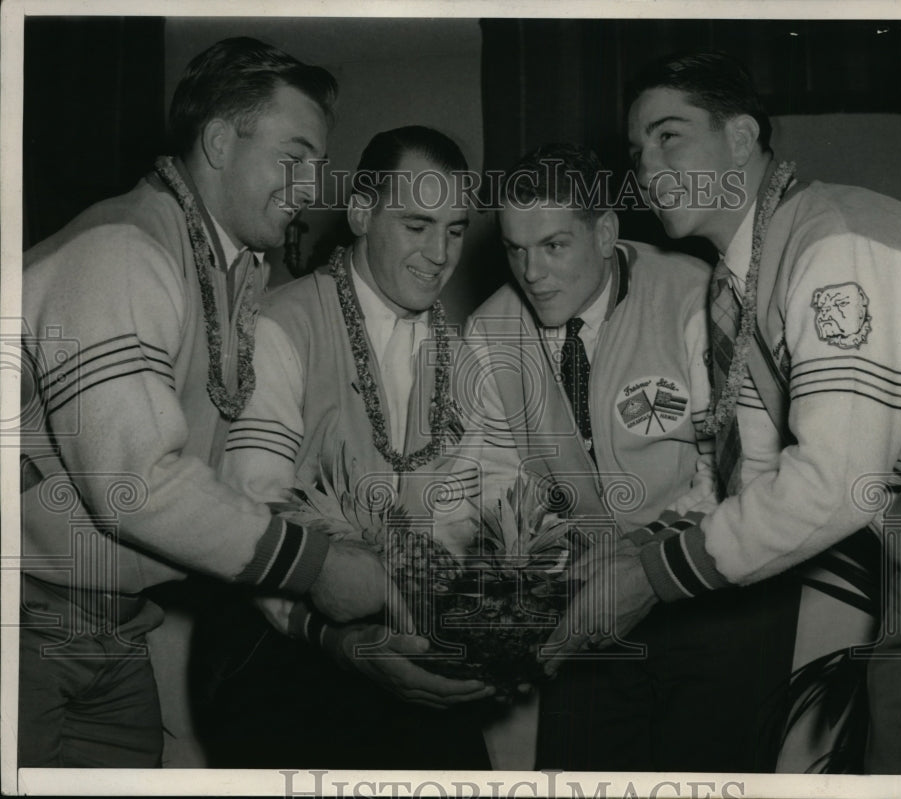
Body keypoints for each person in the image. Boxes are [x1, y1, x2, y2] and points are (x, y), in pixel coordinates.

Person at [545, 52, 901, 776]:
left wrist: (649, 579)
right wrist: (631, 553)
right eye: (636, 149)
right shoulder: (736, 285)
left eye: (669, 135)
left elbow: (831, 483)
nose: (646, 165)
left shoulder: (835, 240)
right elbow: (752, 483)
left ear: (742, 137)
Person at [17, 37, 394, 768]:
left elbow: (219, 497)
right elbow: (140, 486)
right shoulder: (122, 251)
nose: (311, 185)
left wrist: (326, 614)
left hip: (116, 632)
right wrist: (318, 565)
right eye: (295, 156)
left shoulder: (230, 272)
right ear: (219, 141)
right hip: (26, 627)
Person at [462, 143, 802, 771]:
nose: (531, 271)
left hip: (712, 592)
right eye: (516, 248)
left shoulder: (696, 296)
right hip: (587, 595)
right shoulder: (488, 332)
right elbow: (492, 479)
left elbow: (734, 471)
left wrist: (644, 551)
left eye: (554, 245)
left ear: (605, 232)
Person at [200, 126, 495, 769]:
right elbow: (248, 517)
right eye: (417, 226)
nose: (440, 254)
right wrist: (339, 639)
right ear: (361, 213)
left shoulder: (464, 353)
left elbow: (459, 519)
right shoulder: (281, 326)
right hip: (280, 643)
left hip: (401, 633)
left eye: (454, 229)